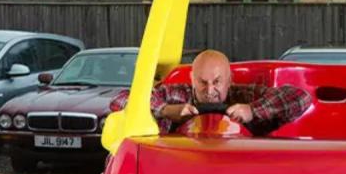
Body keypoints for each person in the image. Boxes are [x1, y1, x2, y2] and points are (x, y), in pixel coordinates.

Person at [110, 49, 311, 135]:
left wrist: (252, 110)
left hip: (242, 167)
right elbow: (121, 100)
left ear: (230, 80)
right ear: (191, 79)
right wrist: (165, 110)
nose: (210, 90)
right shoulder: (176, 94)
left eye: (217, 82)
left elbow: (300, 98)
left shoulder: (246, 96)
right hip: (185, 167)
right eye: (202, 82)